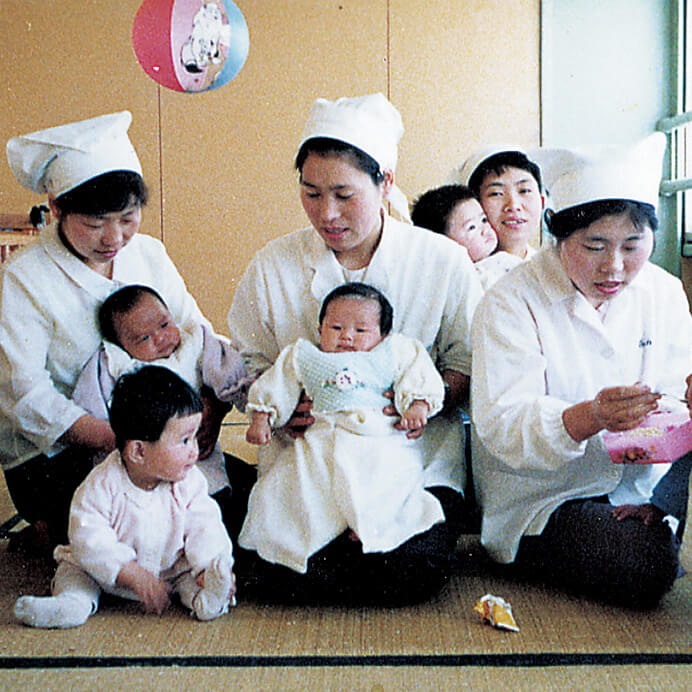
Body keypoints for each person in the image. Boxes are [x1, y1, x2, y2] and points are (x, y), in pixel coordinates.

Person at [227, 93, 483, 604]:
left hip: (413, 455)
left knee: (412, 571)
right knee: (274, 573)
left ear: (385, 182)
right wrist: (282, 409)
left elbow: (468, 362)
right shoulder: (273, 264)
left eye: (345, 193)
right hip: (307, 460)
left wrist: (422, 402)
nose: (328, 213)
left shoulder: (440, 262)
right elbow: (248, 365)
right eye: (311, 193)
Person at [471, 133, 692, 608]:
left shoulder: (664, 291)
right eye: (594, 245)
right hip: (547, 496)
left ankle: (656, 525)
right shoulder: (510, 300)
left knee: (647, 550)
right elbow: (501, 423)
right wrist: (591, 416)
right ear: (558, 234)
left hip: (643, 484)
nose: (614, 266)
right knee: (643, 566)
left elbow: (674, 396)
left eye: (633, 245)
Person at [0, 111, 229, 552]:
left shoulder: (149, 254)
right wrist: (123, 441)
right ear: (56, 208)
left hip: (158, 440)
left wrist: (206, 411)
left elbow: (195, 331)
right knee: (131, 534)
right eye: (94, 222)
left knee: (231, 513)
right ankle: (49, 528)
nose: (114, 237)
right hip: (60, 452)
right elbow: (23, 393)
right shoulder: (24, 278)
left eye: (127, 218)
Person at [240, 282, 445, 574]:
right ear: (320, 328)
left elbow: (418, 373)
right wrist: (263, 416)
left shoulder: (395, 350)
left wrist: (417, 406)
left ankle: (372, 524)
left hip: (378, 436)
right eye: (335, 327)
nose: (347, 336)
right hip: (322, 436)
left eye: (360, 330)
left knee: (391, 475)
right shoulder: (303, 355)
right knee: (298, 480)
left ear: (383, 334)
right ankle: (314, 531)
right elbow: (277, 383)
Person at [14, 366, 235, 629]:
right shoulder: (101, 485)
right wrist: (127, 571)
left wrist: (209, 565)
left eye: (194, 438)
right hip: (104, 573)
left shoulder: (190, 482)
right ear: (138, 452)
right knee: (75, 573)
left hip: (167, 572)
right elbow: (88, 537)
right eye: (184, 440)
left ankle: (208, 598)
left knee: (190, 575)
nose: (194, 451)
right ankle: (71, 605)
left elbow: (206, 525)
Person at [71, 284, 251, 517]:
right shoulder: (115, 364)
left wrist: (236, 399)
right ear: (121, 345)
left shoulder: (194, 343)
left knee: (209, 500)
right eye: (144, 337)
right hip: (138, 467)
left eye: (164, 324)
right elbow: (89, 402)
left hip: (193, 454)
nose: (160, 337)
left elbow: (230, 371)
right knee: (137, 510)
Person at [411, 184, 522, 289]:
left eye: (484, 220)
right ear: (445, 244)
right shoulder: (467, 280)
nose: (485, 229)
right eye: (472, 227)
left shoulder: (503, 259)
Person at [455, 146, 545, 260]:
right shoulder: (463, 273)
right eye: (496, 194)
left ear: (542, 202)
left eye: (524, 191)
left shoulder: (554, 271)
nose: (513, 206)